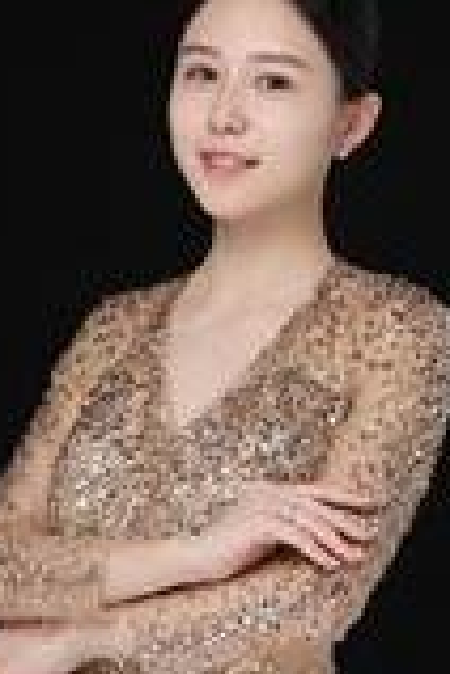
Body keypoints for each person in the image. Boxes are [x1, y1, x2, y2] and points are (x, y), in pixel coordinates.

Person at [0, 0, 448, 672]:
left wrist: (77, 640)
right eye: (203, 73)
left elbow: (314, 596)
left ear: (352, 123)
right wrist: (193, 556)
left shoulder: (396, 330)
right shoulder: (114, 328)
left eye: (274, 82)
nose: (223, 116)